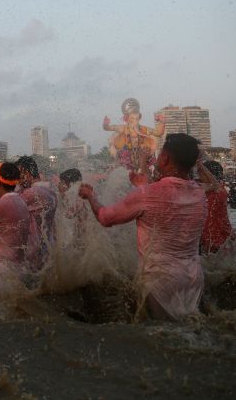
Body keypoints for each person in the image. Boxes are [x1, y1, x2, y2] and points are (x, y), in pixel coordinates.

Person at [78, 133, 207, 320]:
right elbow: (168, 199)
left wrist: (91, 196)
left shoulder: (146, 194)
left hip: (160, 283)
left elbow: (105, 217)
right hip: (194, 279)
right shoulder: (199, 193)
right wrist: (143, 186)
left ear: (165, 157)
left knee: (163, 338)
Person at [15, 156, 58, 265]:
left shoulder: (31, 193)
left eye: (18, 175)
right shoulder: (50, 191)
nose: (17, 180)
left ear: (27, 173)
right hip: (49, 245)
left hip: (36, 250)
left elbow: (9, 208)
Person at [196, 159, 236, 254]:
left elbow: (214, 185)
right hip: (216, 239)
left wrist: (200, 164)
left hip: (216, 241)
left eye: (200, 173)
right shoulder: (212, 189)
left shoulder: (219, 190)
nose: (199, 176)